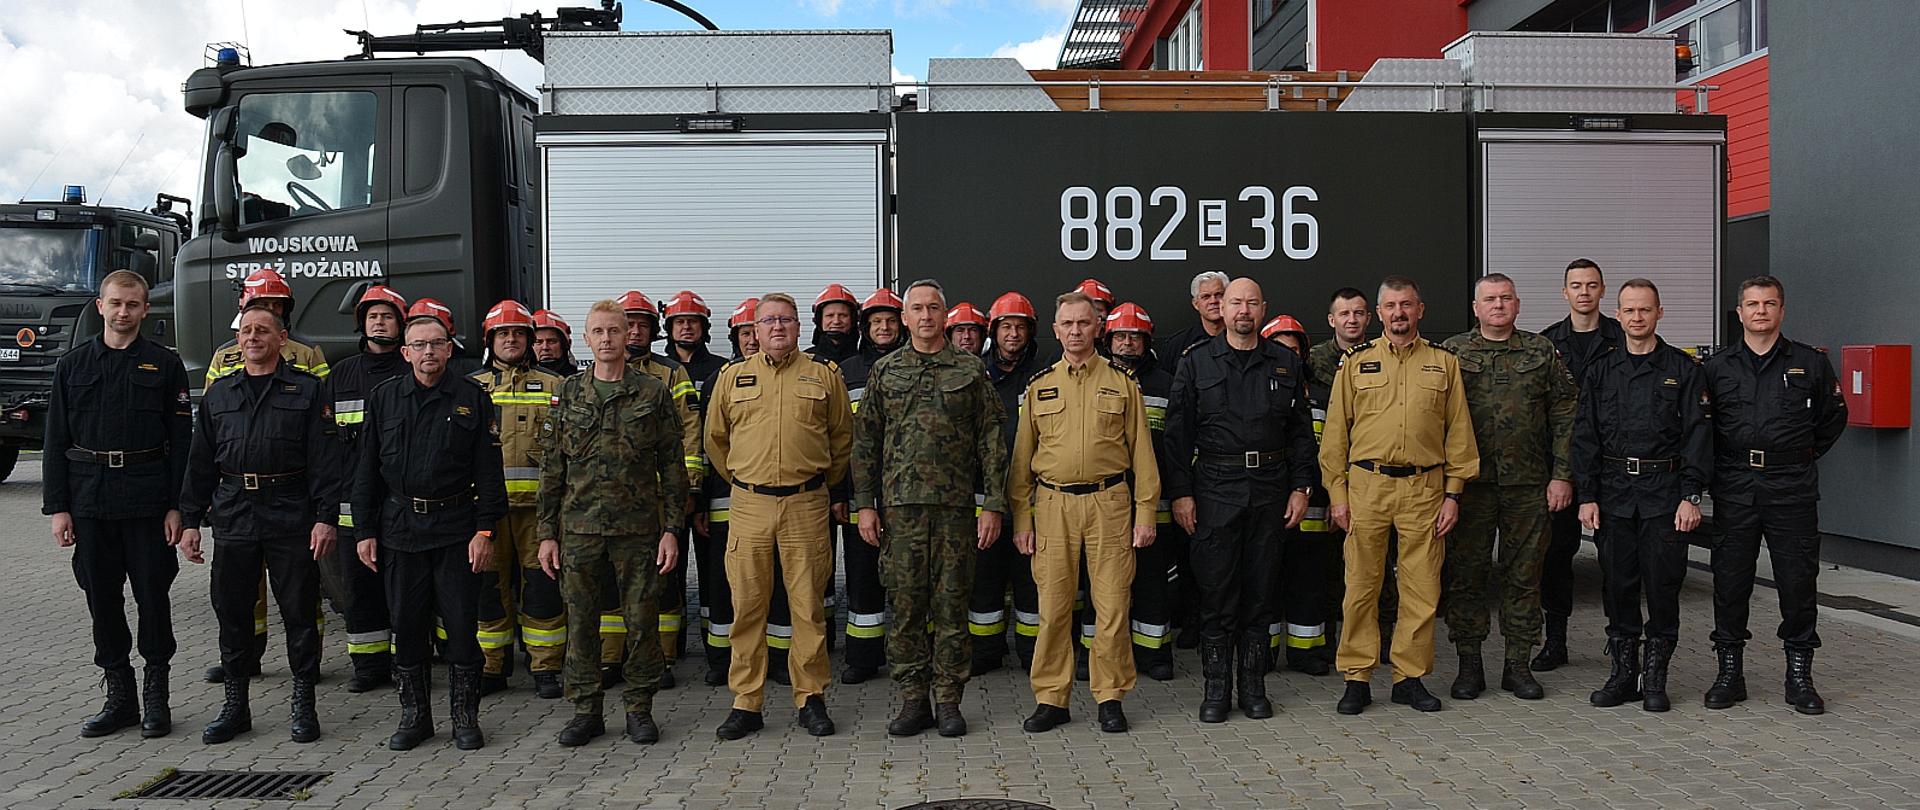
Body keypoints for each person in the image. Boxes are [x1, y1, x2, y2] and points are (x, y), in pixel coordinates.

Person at [854, 279, 1009, 738]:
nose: (925, 317)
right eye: (916, 309)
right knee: (904, 605)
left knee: (951, 605)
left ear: (947, 316)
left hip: (956, 510)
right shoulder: (885, 372)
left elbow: (992, 443)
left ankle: (948, 699)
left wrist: (995, 505)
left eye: (933, 308)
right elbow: (865, 444)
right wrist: (865, 505)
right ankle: (911, 698)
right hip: (900, 510)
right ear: (905, 319)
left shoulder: (969, 370)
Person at [178, 305, 339, 744]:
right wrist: (190, 521)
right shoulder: (220, 394)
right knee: (232, 613)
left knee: (299, 613)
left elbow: (325, 464)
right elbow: (199, 465)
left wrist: (326, 519)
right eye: (246, 331)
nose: (253, 338)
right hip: (234, 512)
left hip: (290, 511)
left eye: (262, 331)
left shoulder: (307, 391)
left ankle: (303, 703)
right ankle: (236, 706)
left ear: (281, 338)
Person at [1320, 275, 1479, 715]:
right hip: (1366, 487)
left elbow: (1459, 434)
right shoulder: (1356, 363)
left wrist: (1453, 495)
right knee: (1361, 587)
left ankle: (1409, 677)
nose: (1399, 313)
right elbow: (1335, 436)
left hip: (1425, 488)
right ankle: (1356, 677)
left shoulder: (1443, 363)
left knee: (1421, 588)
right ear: (1379, 313)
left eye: (1406, 305)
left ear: (1420, 309)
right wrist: (1337, 493)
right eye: (1390, 306)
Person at [44, 270, 193, 739]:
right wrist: (59, 508)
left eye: (132, 304)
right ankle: (120, 697)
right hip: (90, 502)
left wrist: (178, 507)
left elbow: (182, 443)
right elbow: (54, 442)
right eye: (116, 303)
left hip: (148, 502)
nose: (123, 311)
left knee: (153, 598)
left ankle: (155, 698)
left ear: (145, 309)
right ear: (100, 307)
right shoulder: (72, 366)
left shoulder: (165, 367)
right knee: (102, 601)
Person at [351, 305, 507, 751]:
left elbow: (489, 472)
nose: (428, 352)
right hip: (400, 530)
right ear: (405, 352)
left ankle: (464, 719)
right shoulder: (384, 398)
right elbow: (366, 471)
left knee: (460, 628)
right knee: (407, 625)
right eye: (419, 345)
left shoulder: (472, 397)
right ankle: (415, 718)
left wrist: (485, 531)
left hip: (457, 529)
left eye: (437, 344)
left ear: (449, 349)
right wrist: (364, 530)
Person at [1163, 278, 1317, 723]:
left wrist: (1301, 487)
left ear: (1263, 308)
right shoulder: (1196, 364)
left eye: (1251, 303)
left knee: (1260, 592)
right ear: (1222, 310)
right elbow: (1177, 436)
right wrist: (1182, 494)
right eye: (1235, 303)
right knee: (1216, 593)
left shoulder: (1286, 363)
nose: (1243, 311)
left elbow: (1301, 435)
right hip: (1214, 487)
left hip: (1270, 487)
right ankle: (1216, 690)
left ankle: (1253, 688)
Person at [538, 300, 688, 747]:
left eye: (614, 331)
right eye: (598, 332)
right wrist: (547, 534)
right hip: (579, 530)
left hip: (638, 530)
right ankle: (587, 710)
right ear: (586, 340)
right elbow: (552, 468)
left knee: (641, 620)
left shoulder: (652, 393)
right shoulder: (568, 393)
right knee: (580, 621)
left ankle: (640, 707)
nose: (607, 339)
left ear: (629, 337)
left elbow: (673, 467)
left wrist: (671, 529)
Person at [1008, 292, 1159, 734]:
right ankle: (1052, 698)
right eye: (1067, 324)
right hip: (1051, 505)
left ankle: (1110, 695)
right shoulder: (1038, 387)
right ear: (1055, 331)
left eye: (1083, 323)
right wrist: (1022, 518)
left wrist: (1146, 513)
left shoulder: (1123, 383)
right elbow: (1021, 461)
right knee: (1053, 607)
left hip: (1109, 503)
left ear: (1098, 329)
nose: (1075, 331)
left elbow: (1143, 456)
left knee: (1112, 605)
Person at [704, 292, 854, 740]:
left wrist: (814, 481)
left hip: (806, 504)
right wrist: (746, 478)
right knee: (747, 606)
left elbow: (841, 440)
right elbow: (716, 441)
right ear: (753, 329)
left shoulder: (824, 376)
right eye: (767, 321)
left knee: (808, 606)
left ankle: (811, 697)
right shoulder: (733, 377)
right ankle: (746, 702)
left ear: (798, 326)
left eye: (785, 320)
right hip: (748, 504)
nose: (777, 328)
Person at [1701, 275, 1847, 715]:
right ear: (1740, 312)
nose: (1760, 311)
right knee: (1730, 582)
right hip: (1735, 485)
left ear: (1781, 311)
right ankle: (1730, 674)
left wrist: (1798, 456)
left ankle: (1799, 676)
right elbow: (1702, 428)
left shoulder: (1810, 363)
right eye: (1752, 304)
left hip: (1791, 487)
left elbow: (1833, 419)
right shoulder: (1717, 367)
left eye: (1769, 304)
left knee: (1798, 582)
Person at [1571, 279, 1711, 712]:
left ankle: (1656, 678)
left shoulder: (1684, 370)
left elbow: (1698, 436)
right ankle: (1623, 675)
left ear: (1659, 313)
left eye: (1645, 310)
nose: (1636, 318)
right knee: (1618, 586)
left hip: (1664, 496)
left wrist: (1692, 496)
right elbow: (1585, 437)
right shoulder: (1601, 370)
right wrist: (1586, 495)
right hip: (1613, 494)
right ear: (1619, 315)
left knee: (1664, 586)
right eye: (1629, 311)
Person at [1440, 274, 1576, 702]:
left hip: (1529, 486)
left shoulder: (1541, 352)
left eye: (1505, 298)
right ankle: (1469, 665)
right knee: (1467, 577)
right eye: (1490, 299)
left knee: (1524, 576)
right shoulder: (1452, 353)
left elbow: (1566, 413)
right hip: (1471, 486)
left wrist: (1562, 474)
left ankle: (1517, 664)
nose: (1498, 305)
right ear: (1476, 307)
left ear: (1518, 305)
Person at [200, 267, 330, 685]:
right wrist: (191, 513)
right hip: (238, 503)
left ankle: (305, 681)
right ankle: (244, 664)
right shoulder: (223, 360)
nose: (261, 323)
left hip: (288, 502)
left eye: (273, 309)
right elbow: (210, 429)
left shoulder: (308, 357)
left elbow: (322, 439)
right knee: (237, 596)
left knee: (299, 598)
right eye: (255, 310)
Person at [469, 301, 569, 699]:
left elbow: (568, 449)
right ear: (490, 340)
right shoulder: (470, 386)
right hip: (486, 512)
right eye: (502, 334)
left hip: (540, 513)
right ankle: (492, 667)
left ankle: (545, 667)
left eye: (518, 333)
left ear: (530, 339)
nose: (511, 340)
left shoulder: (555, 386)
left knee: (542, 589)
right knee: (489, 591)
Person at [1535, 258, 1623, 671]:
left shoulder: (1624, 338)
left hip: (1615, 472)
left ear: (1602, 291)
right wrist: (1558, 472)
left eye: (1591, 284)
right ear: (1564, 292)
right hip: (1564, 471)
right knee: (1556, 557)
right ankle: (1555, 641)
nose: (1584, 292)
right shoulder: (1546, 345)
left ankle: (1620, 639)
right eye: (1576, 285)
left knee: (1617, 560)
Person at [328, 284, 412, 693]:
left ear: (401, 325)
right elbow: (325, 443)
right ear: (362, 323)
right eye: (373, 316)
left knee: (400, 589)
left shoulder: (412, 369)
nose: (380, 322)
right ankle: (367, 668)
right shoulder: (342, 373)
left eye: (388, 316)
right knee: (358, 590)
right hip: (350, 505)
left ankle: (404, 664)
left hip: (398, 504)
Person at [618, 291, 702, 682]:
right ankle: (611, 658)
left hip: (657, 500)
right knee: (610, 582)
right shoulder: (595, 375)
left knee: (663, 580)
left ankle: (662, 658)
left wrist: (687, 491)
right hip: (609, 503)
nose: (634, 331)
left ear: (653, 330)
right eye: (628, 324)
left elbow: (690, 435)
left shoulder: (671, 374)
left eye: (641, 325)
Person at [971, 292, 1050, 674]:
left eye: (1020, 326)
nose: (1013, 334)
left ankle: (1032, 654)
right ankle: (985, 653)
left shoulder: (1044, 372)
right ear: (994, 331)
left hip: (1030, 500)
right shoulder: (974, 373)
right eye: (1006, 327)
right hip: (982, 497)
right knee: (983, 579)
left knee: (1029, 581)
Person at [1104, 302, 1182, 682]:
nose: (1128, 343)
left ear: (1147, 340)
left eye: (1135, 336)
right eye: (1120, 335)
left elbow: (1181, 446)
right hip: (1106, 502)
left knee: (1154, 581)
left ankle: (1154, 655)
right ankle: (1099, 655)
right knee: (1101, 583)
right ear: (1108, 339)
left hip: (1157, 503)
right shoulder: (1098, 379)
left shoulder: (1168, 383)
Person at [833, 288, 906, 682]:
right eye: (876, 322)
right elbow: (839, 439)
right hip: (862, 492)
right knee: (862, 576)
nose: (883, 327)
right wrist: (843, 494)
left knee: (911, 578)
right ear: (866, 327)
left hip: (907, 495)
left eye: (890, 321)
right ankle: (862, 658)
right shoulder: (846, 370)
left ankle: (911, 654)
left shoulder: (915, 365)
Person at [1261, 314, 1334, 676]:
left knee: (1310, 582)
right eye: (1279, 348)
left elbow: (1337, 450)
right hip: (1268, 502)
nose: (1286, 355)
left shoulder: (1321, 395)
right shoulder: (1254, 391)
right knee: (1266, 581)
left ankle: (1306, 653)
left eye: (1293, 349)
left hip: (1315, 504)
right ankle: (1264, 652)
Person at [694, 298, 762, 685]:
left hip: (773, 504)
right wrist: (704, 497)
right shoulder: (721, 378)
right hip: (724, 500)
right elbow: (709, 442)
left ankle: (778, 658)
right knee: (721, 584)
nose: (752, 339)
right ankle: (722, 661)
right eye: (744, 332)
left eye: (756, 330)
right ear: (734, 337)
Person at [1160, 271, 1228, 359]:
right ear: (1196, 304)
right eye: (1206, 297)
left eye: (1219, 295)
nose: (1213, 301)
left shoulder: (1245, 339)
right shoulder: (1176, 345)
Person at [532, 309, 580, 378]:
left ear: (565, 345)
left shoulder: (581, 382)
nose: (545, 347)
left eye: (551, 341)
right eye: (538, 342)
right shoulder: (518, 381)